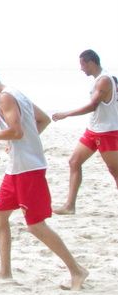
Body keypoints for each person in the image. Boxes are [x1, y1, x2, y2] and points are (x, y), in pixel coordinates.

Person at [0, 68, 87, 290]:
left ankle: (77, 270)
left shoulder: (5, 97)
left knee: (35, 226)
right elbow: (42, 120)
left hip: (28, 170)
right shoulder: (16, 93)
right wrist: (15, 143)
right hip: (15, 168)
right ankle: (5, 272)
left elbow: (17, 131)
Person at [51, 50, 118, 214]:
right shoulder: (98, 80)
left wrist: (66, 114)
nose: (81, 68)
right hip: (93, 130)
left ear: (90, 62)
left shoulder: (104, 80)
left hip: (107, 132)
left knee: (115, 170)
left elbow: (92, 106)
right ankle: (69, 206)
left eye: (82, 64)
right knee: (74, 162)